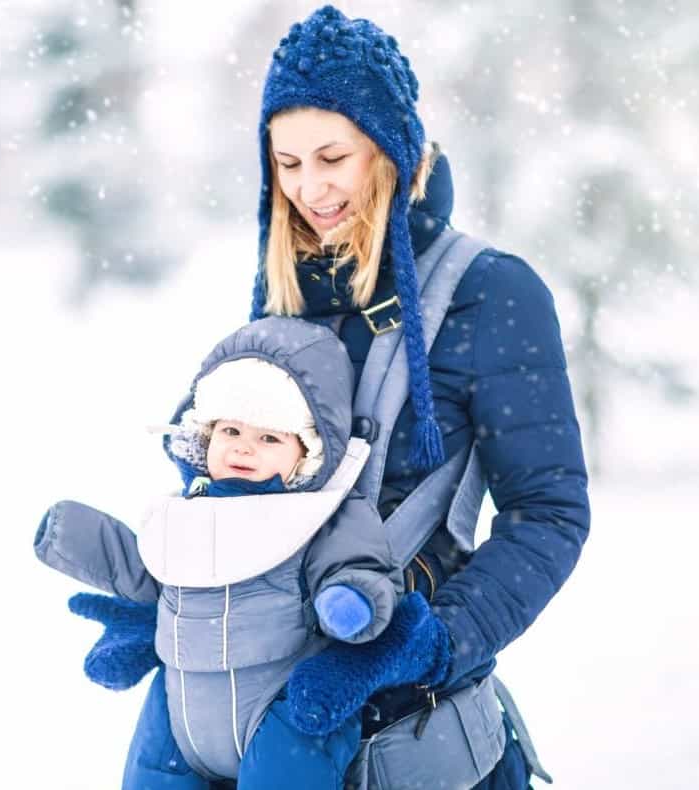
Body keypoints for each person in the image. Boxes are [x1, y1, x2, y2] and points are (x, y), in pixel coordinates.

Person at [49, 5, 590, 789]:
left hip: (409, 735)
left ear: (393, 148)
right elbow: (230, 475)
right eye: (288, 162)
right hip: (244, 707)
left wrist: (435, 640)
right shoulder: (280, 296)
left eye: (334, 156)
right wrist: (167, 594)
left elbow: (550, 512)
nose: (311, 188)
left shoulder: (489, 293)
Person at [34, 318, 441, 787]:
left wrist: (351, 599)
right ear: (206, 436)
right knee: (152, 775)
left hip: (278, 703)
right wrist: (81, 539)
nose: (244, 448)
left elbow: (358, 564)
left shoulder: (320, 513)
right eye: (230, 431)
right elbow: (151, 575)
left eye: (269, 438)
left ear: (307, 452)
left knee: (285, 771)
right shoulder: (186, 510)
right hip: (180, 704)